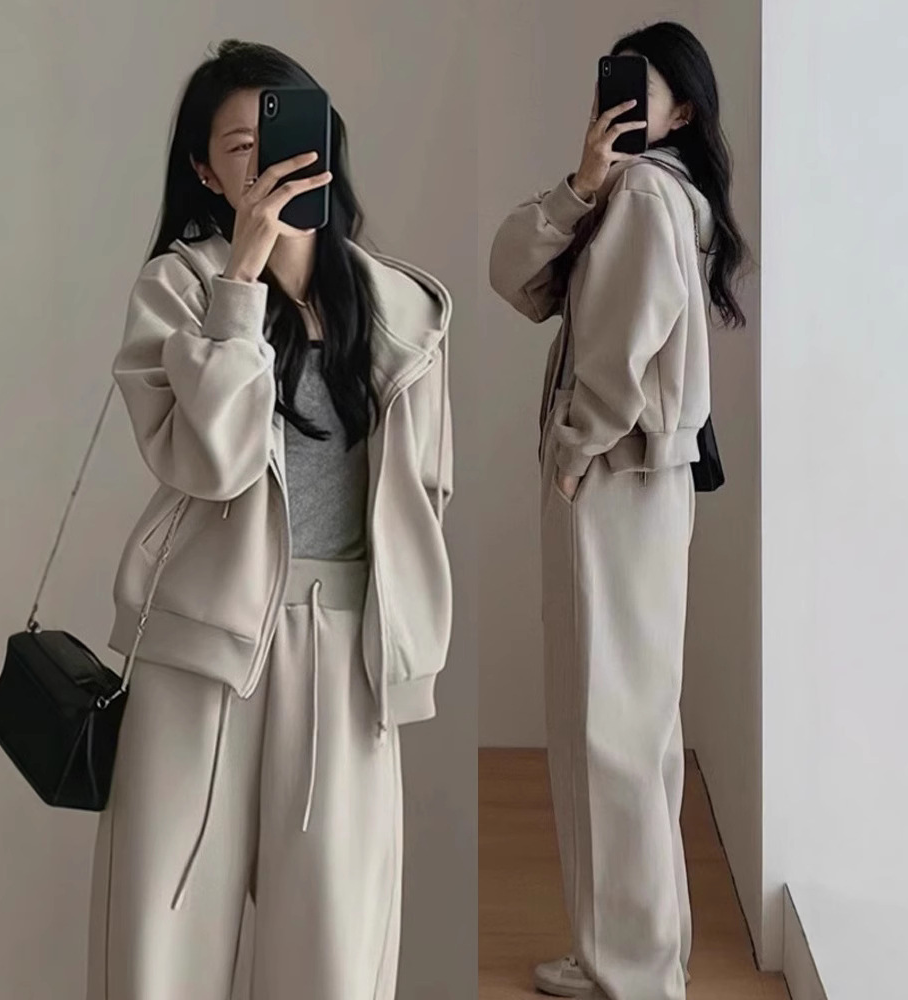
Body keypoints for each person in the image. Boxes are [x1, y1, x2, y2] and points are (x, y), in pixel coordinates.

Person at [85, 39, 453, 1000]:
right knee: (163, 952)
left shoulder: (402, 306)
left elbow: (425, 492)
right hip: (201, 652)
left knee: (333, 959)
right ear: (207, 172)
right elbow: (213, 463)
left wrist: (410, 645)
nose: (265, 163)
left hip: (348, 652)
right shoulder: (178, 291)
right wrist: (240, 286)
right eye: (241, 148)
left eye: (282, 136)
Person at [489, 21, 748, 1000]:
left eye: (642, 86)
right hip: (643, 481)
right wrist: (578, 184)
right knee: (634, 724)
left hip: (612, 476)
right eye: (614, 83)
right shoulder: (632, 190)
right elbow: (514, 276)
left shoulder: (642, 195)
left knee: (609, 727)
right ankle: (640, 955)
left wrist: (571, 451)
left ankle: (630, 972)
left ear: (681, 110)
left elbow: (618, 346)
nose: (619, 100)